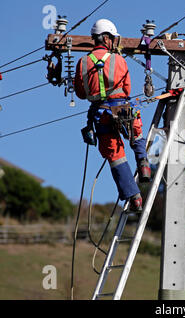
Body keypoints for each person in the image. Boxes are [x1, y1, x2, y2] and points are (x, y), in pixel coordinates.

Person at [75, 19, 151, 211]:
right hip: (121, 107)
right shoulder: (119, 60)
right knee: (136, 132)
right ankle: (143, 164)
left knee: (115, 154)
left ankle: (134, 198)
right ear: (107, 38)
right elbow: (127, 88)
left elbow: (80, 93)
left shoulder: (82, 63)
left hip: (100, 114)